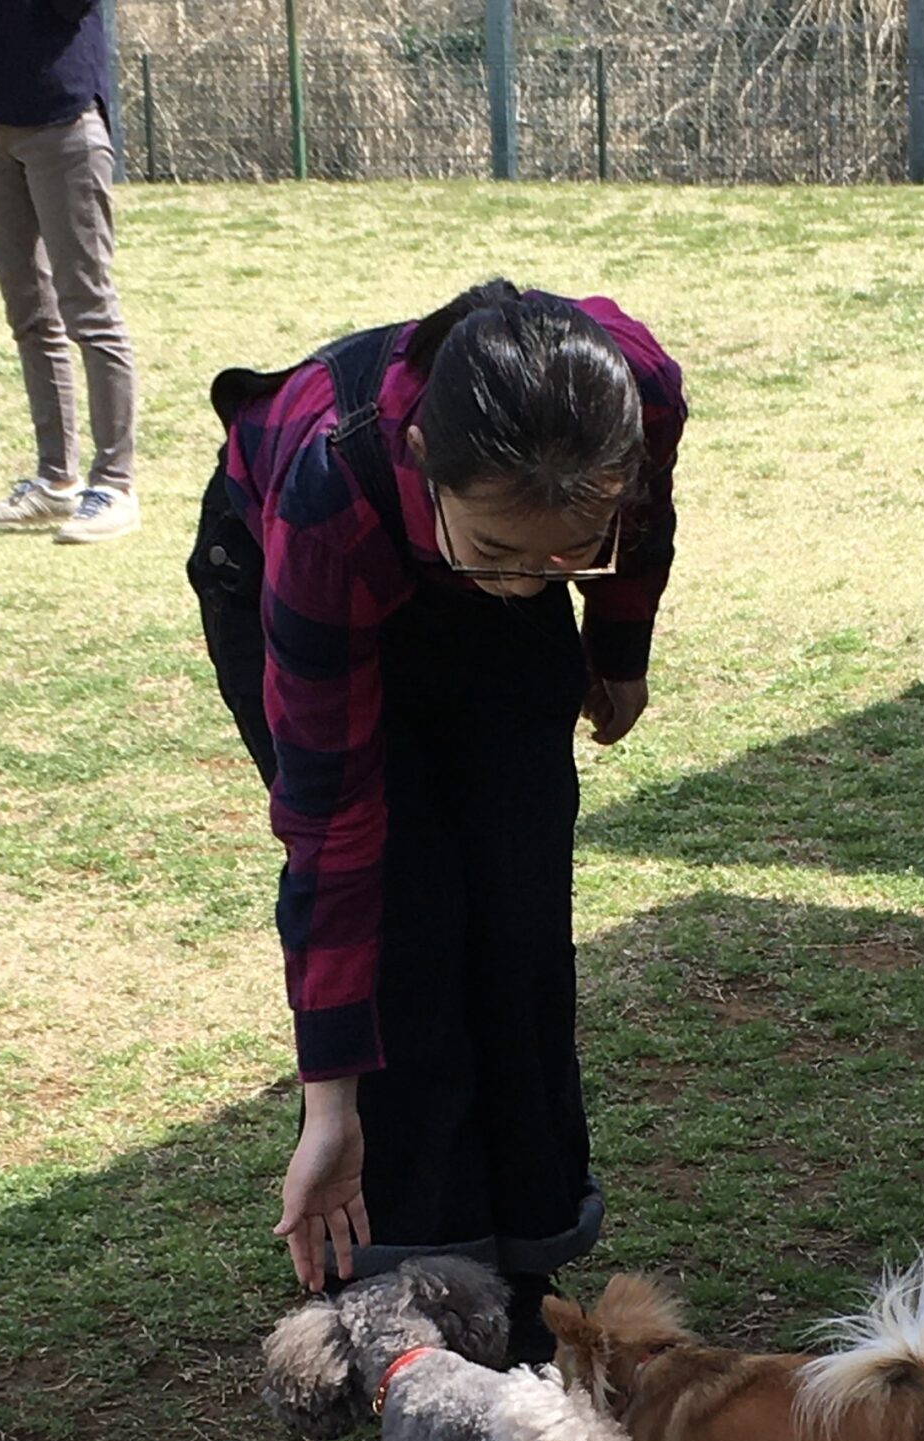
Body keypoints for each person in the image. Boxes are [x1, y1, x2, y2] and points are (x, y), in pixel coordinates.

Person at [187, 282, 685, 1359]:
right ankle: (414, 1278)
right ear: (422, 455)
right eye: (504, 549)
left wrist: (614, 644)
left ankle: (526, 1251)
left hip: (463, 534)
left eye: (571, 548)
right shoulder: (333, 492)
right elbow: (330, 834)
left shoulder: (632, 391)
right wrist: (330, 1106)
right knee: (404, 911)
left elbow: (636, 523)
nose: (529, 586)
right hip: (308, 568)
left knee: (517, 903)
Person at [0, 0, 139, 544]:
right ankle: (56, 480)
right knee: (29, 313)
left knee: (90, 312)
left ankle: (115, 486)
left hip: (61, 115)